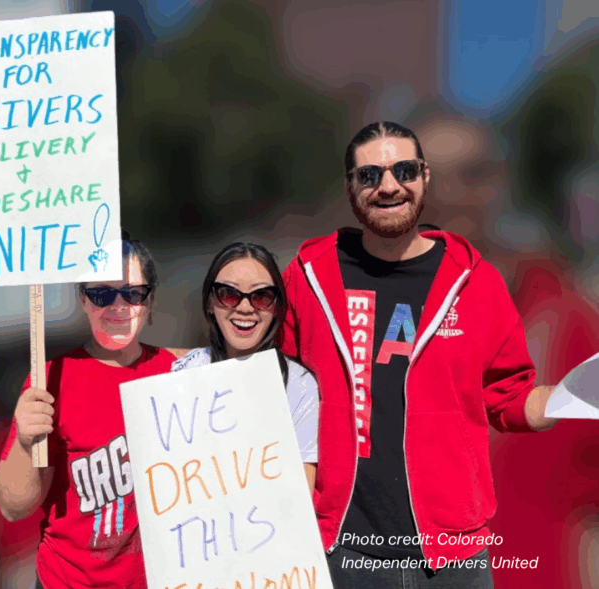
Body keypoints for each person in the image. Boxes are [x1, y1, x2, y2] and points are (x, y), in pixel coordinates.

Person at [279, 121, 559, 589]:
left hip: (454, 558)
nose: (388, 186)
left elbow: (508, 396)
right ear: (350, 188)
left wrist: (574, 399)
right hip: (343, 552)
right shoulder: (309, 277)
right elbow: (271, 387)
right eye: (370, 175)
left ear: (425, 177)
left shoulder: (476, 282)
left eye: (403, 170)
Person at [0, 231, 177, 589]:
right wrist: (25, 442)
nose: (118, 305)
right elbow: (13, 506)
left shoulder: (178, 371)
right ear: (83, 300)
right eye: (102, 294)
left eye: (133, 293)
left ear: (150, 300)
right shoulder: (49, 380)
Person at [172, 242, 319, 489]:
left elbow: (302, 493)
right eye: (228, 294)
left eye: (261, 297)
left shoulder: (299, 385)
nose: (245, 307)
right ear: (209, 303)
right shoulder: (184, 373)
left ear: (276, 307)